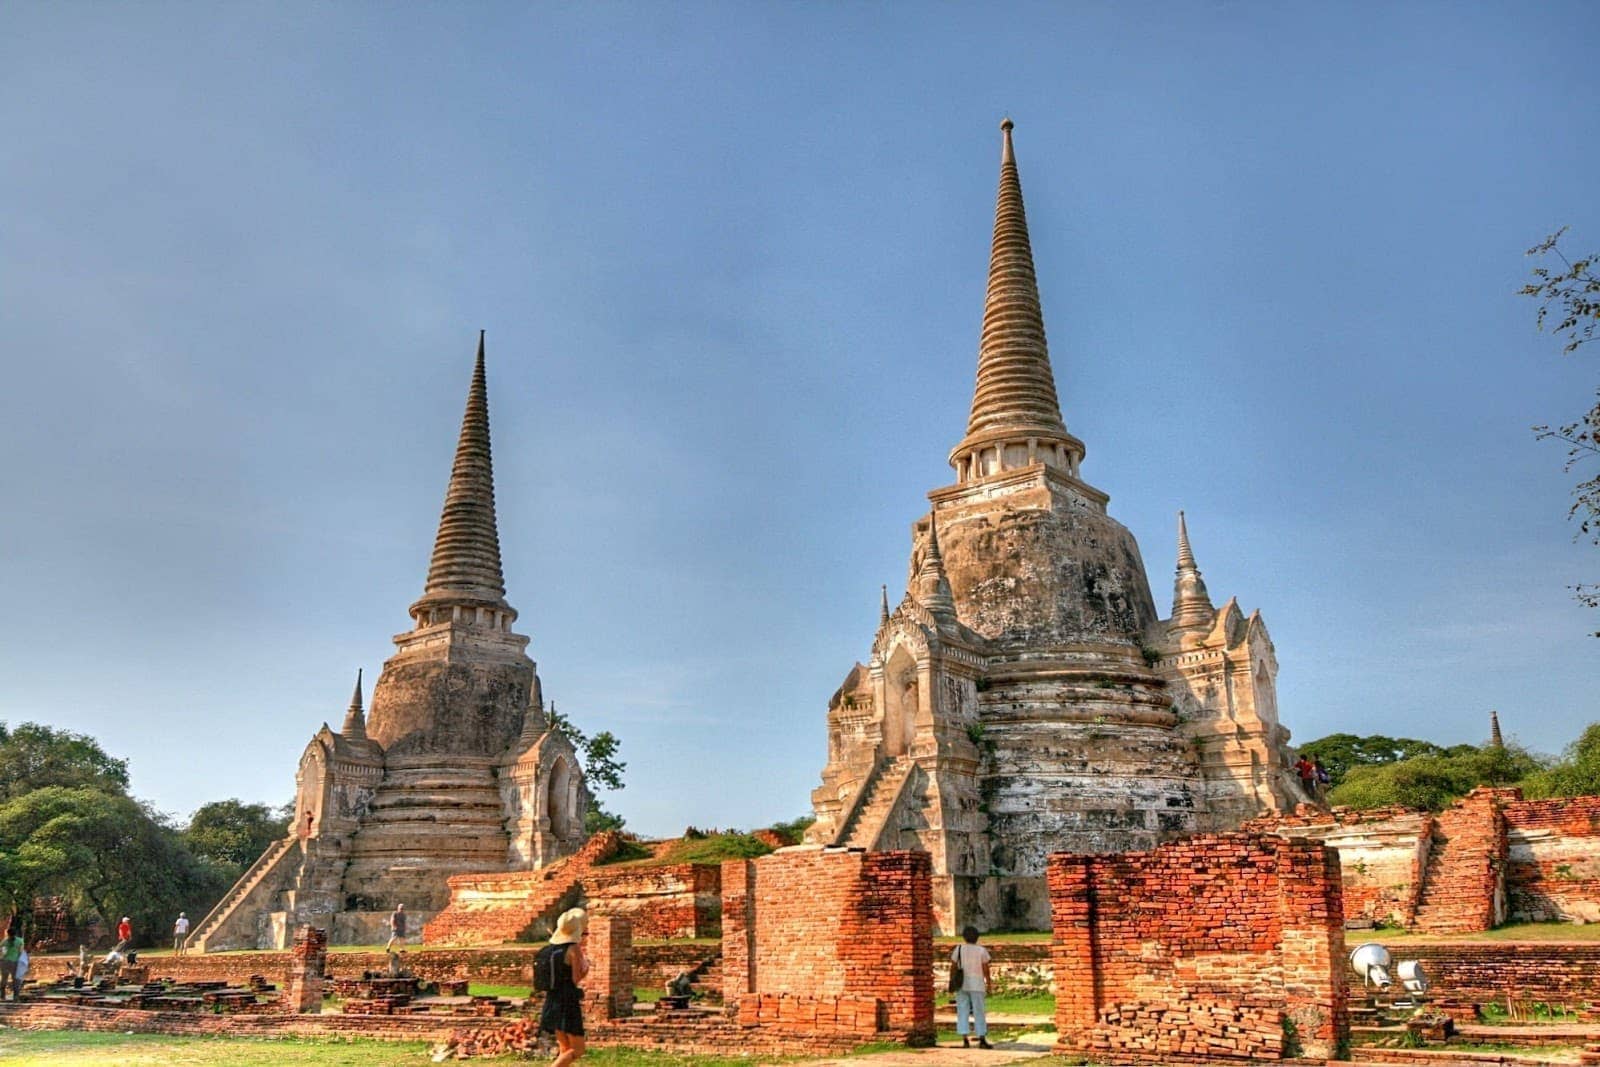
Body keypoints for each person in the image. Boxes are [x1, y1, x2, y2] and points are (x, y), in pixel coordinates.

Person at [539, 907, 589, 1067]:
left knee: (564, 1049)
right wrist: (586, 968)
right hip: (567, 1002)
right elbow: (575, 979)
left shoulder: (551, 950)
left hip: (552, 1000)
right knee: (578, 1050)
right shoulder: (573, 948)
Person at [951, 925, 992, 1050]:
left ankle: (965, 1039)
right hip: (977, 984)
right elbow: (985, 969)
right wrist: (989, 983)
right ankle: (982, 1038)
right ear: (977, 937)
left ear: (964, 937)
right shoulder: (981, 950)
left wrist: (952, 981)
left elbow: (953, 966)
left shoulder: (958, 949)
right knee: (979, 1011)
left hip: (962, 983)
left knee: (962, 1011)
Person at [0, 923, 24, 1001]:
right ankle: (16, 996)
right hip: (15, 962)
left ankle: (2, 995)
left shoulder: (4, 942)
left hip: (5, 962)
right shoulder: (20, 941)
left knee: (4, 979)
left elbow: (3, 953)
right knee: (16, 980)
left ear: (8, 933)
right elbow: (20, 952)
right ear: (16, 933)